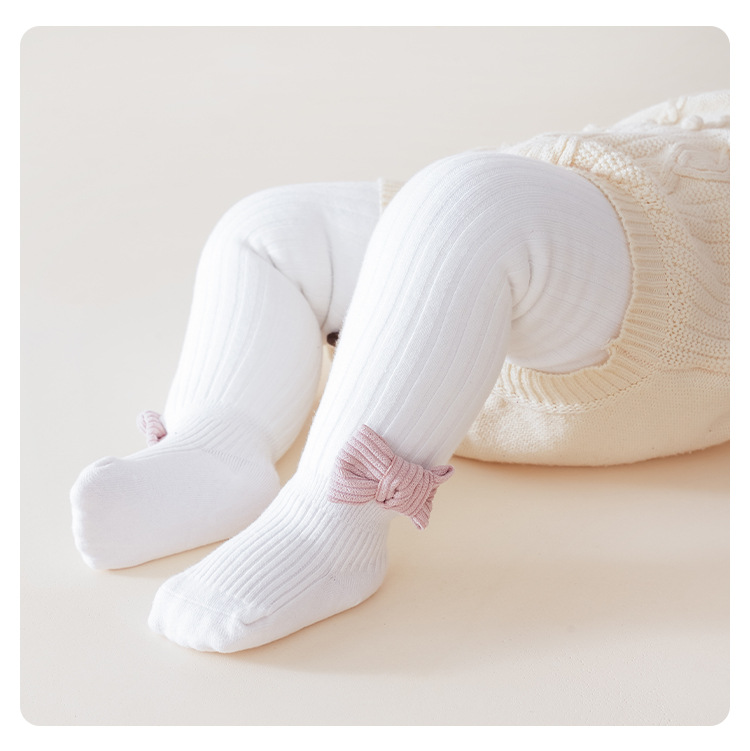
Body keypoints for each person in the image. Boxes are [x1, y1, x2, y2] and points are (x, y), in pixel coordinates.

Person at [70, 91, 729, 653]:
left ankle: (327, 525)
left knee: (471, 205)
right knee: (271, 228)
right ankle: (215, 445)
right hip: (591, 191)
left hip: (683, 273)